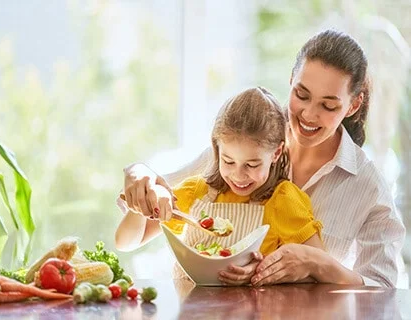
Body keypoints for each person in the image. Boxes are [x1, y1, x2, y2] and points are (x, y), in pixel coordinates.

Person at [118, 29, 406, 288]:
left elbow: (382, 291)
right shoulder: (244, 144)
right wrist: (140, 172)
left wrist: (320, 264)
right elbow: (149, 206)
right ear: (291, 81)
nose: (309, 115)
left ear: (353, 105)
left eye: (328, 105)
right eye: (301, 95)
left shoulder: (368, 188)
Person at [115, 87, 324, 282]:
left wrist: (265, 271)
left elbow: (318, 268)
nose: (238, 175)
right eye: (228, 161)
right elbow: (126, 242)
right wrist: (140, 205)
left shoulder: (284, 201)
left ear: (276, 153)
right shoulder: (196, 192)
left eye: (252, 164)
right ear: (217, 149)